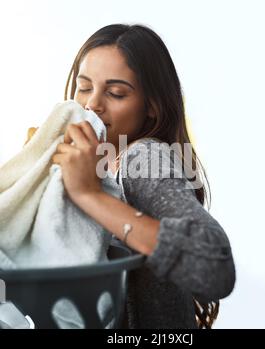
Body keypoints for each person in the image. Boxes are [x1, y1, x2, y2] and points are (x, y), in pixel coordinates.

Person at [30, 24, 235, 329]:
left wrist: (90, 196)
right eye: (84, 87)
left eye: (115, 93)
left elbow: (213, 266)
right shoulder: (97, 164)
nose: (92, 104)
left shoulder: (143, 156)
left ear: (151, 106)